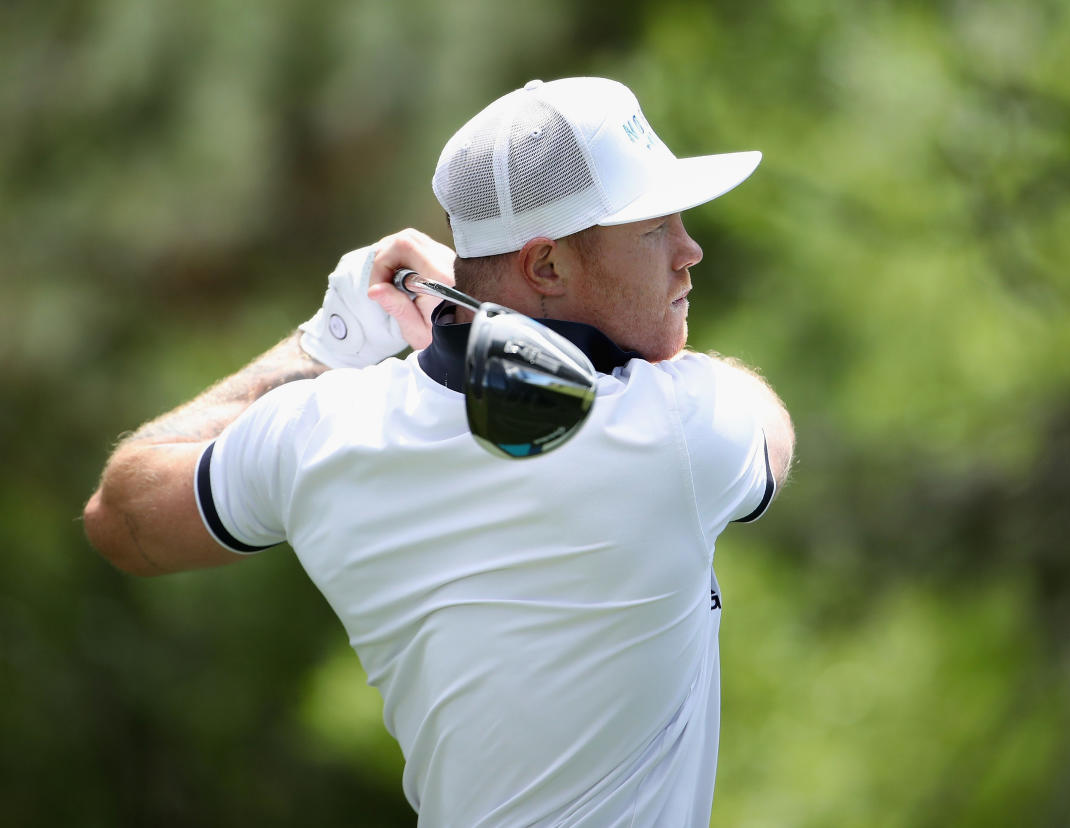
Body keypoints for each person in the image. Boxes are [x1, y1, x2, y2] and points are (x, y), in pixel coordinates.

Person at [84, 77, 794, 826]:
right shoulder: (677, 431)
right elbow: (771, 428)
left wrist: (328, 342)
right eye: (654, 228)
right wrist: (473, 311)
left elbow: (121, 518)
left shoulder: (320, 431)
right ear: (546, 266)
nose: (691, 250)